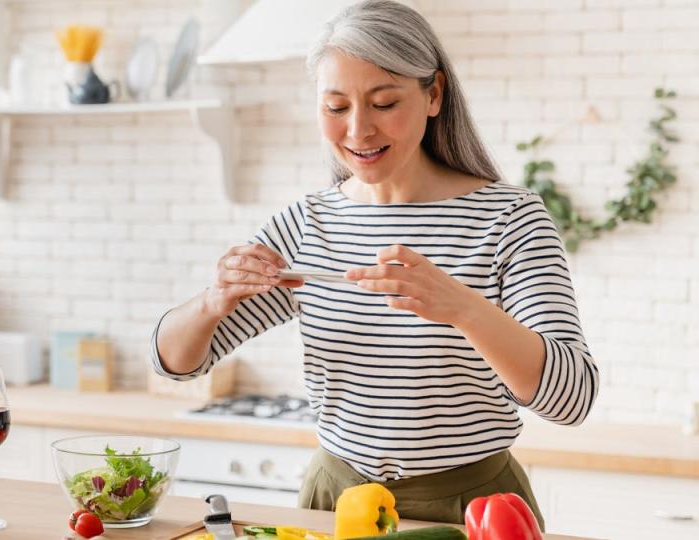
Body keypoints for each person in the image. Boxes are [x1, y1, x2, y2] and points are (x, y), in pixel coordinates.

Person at [150, 0, 598, 528]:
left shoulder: (508, 219)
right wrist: (211, 301)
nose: (358, 131)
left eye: (384, 102)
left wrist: (464, 309)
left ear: (434, 94)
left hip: (471, 509)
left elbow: (572, 398)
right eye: (336, 107)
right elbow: (175, 363)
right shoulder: (307, 223)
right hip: (334, 502)